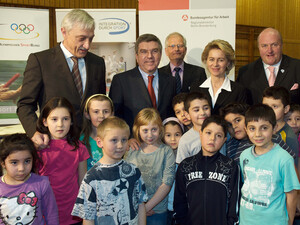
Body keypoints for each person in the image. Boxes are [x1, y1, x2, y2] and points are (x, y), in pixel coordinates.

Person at [17, 9, 106, 149]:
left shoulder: (97, 63)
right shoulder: (41, 61)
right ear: (64, 32)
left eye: (91, 38)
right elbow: (25, 105)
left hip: (91, 146)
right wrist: (35, 132)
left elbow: (100, 103)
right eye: (81, 38)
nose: (87, 45)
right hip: (53, 146)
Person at [72, 117, 148, 225]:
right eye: (114, 140)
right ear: (99, 142)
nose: (120, 145)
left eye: (124, 140)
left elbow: (141, 205)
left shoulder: (133, 171)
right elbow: (88, 217)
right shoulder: (91, 177)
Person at [240, 104, 300, 225]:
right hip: (246, 221)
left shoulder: (284, 159)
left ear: (274, 128)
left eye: (264, 128)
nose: (258, 134)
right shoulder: (244, 155)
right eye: (252, 128)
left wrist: (289, 221)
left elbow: (292, 194)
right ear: (246, 129)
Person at [174, 115, 240, 225]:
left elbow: (234, 204)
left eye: (218, 135)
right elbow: (179, 202)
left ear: (224, 140)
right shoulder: (185, 165)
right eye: (208, 133)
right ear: (200, 133)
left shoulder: (230, 166)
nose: (212, 138)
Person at [36, 97, 89, 224]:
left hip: (72, 212)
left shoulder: (79, 147)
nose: (60, 124)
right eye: (54, 119)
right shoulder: (38, 148)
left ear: (71, 121)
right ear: (44, 121)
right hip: (44, 210)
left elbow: (83, 181)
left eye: (65, 119)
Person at [109, 33, 176, 129]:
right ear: (136, 56)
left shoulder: (170, 81)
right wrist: (127, 138)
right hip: (134, 141)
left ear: (160, 54)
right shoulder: (121, 81)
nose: (150, 56)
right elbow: (115, 116)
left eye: (154, 51)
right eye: (144, 52)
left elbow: (171, 115)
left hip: (163, 141)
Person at [125, 108, 176, 225]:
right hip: (133, 209)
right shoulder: (132, 149)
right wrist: (137, 208)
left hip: (156, 211)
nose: (150, 134)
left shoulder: (166, 152)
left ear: (160, 129)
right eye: (145, 130)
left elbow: (166, 184)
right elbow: (126, 180)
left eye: (154, 129)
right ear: (137, 130)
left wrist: (146, 208)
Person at [0, 133, 58, 225]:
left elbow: (51, 216)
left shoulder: (42, 183)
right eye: (14, 162)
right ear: (3, 163)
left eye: (27, 161)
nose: (21, 168)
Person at [237, 27, 300, 105]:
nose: (269, 50)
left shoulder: (297, 67)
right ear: (258, 48)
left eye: (274, 45)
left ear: (281, 45)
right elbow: (242, 106)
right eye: (264, 45)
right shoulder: (245, 72)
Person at [220, 102, 296, 163]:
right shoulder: (230, 145)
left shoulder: (271, 138)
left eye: (237, 120)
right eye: (229, 124)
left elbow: (290, 163)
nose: (234, 126)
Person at [190, 39, 249, 115]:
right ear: (206, 61)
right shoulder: (195, 88)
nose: (215, 64)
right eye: (211, 59)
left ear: (228, 62)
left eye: (220, 60)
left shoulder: (239, 91)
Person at [262, 86, 299, 165]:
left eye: (275, 106)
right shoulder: (257, 129)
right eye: (266, 106)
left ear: (286, 109)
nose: (269, 110)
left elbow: (293, 168)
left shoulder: (289, 137)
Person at [176, 92, 211, 164]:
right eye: (196, 110)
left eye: (206, 108)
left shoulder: (220, 132)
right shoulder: (185, 140)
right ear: (187, 115)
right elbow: (182, 167)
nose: (202, 112)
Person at [81, 94, 114, 170]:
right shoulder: (81, 141)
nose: (101, 116)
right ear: (87, 114)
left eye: (106, 111)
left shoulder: (118, 139)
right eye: (96, 112)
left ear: (112, 113)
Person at [162, 117, 183, 225]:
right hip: (163, 207)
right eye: (168, 135)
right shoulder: (161, 156)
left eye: (177, 134)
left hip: (181, 207)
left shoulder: (185, 157)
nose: (173, 139)